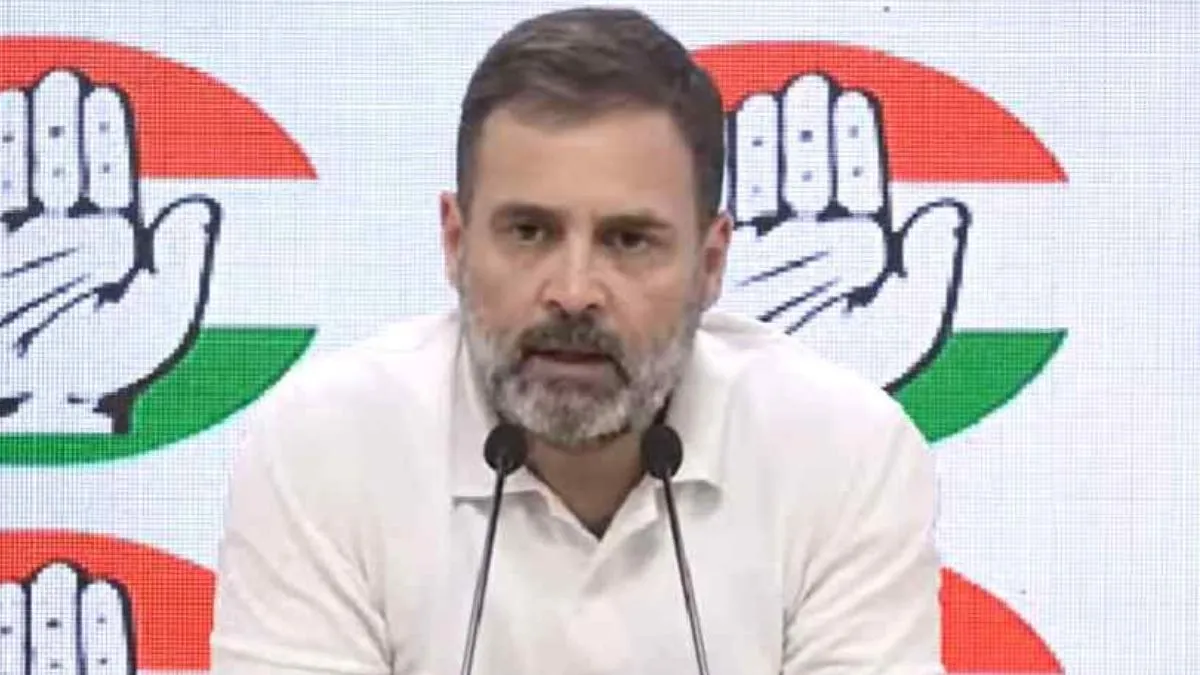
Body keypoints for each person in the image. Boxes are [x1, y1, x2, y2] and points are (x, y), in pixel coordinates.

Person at [209, 6, 944, 674]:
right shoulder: (324, 446)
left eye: (628, 240)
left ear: (710, 264)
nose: (573, 290)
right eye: (530, 232)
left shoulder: (845, 453)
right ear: (455, 244)